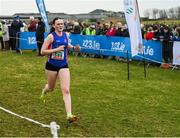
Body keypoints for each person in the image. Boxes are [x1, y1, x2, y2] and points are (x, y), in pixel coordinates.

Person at [40, 17, 80, 123]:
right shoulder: (50, 37)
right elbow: (42, 51)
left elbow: (67, 45)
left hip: (63, 65)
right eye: (58, 24)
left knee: (66, 90)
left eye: (61, 24)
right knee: (51, 87)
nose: (60, 25)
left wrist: (74, 48)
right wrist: (56, 50)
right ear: (54, 26)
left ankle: (69, 115)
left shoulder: (66, 35)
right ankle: (44, 90)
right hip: (51, 65)